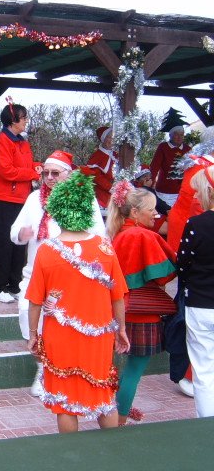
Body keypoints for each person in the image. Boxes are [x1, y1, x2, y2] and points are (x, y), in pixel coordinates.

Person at [26, 171, 130, 433]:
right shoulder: (105, 248)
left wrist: (33, 334)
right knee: (103, 395)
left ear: (57, 210)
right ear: (87, 209)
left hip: (59, 337)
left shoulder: (47, 251)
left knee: (65, 403)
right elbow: (117, 296)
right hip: (98, 336)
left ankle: (72, 453)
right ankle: (113, 449)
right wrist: (121, 329)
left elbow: (35, 301)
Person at [12, 150, 105, 397]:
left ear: (69, 174)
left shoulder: (84, 198)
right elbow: (14, 231)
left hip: (70, 275)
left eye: (55, 173)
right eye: (46, 173)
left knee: (62, 325)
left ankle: (59, 372)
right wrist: (21, 234)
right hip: (35, 273)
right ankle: (43, 368)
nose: (50, 178)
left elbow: (99, 235)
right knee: (27, 315)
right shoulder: (34, 198)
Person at [107, 181, 177, 426]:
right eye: (151, 210)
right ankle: (119, 421)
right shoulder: (144, 236)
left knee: (124, 371)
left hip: (118, 310)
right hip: (143, 312)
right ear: (135, 212)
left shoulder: (117, 235)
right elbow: (164, 275)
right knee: (133, 371)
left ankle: (114, 415)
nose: (155, 215)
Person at [0, 99, 41, 304]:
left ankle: (14, 285)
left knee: (20, 242)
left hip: (22, 198)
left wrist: (38, 167)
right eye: (23, 118)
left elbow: (26, 165)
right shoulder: (2, 141)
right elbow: (6, 171)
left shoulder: (23, 141)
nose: (26, 121)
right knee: (3, 243)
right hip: (3, 199)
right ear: (13, 121)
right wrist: (32, 174)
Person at [177, 165, 214, 418]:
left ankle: (206, 424)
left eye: (199, 190)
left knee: (203, 370)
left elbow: (183, 263)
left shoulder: (196, 224)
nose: (196, 195)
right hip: (200, 302)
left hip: (200, 303)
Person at [150, 108, 191, 207]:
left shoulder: (188, 149)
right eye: (176, 134)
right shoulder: (163, 147)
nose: (179, 137)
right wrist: (149, 185)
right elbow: (154, 167)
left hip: (183, 191)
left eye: (182, 135)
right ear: (170, 135)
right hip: (164, 191)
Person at [81, 126, 117, 208]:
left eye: (113, 138)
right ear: (103, 139)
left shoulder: (116, 154)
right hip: (102, 194)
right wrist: (111, 187)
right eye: (109, 137)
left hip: (116, 192)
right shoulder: (97, 156)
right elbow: (95, 176)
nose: (112, 140)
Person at [131, 166, 170, 235]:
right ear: (146, 180)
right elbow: (158, 203)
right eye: (150, 179)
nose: (152, 181)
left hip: (147, 215)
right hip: (148, 217)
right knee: (172, 228)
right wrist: (168, 209)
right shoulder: (144, 191)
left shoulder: (137, 189)